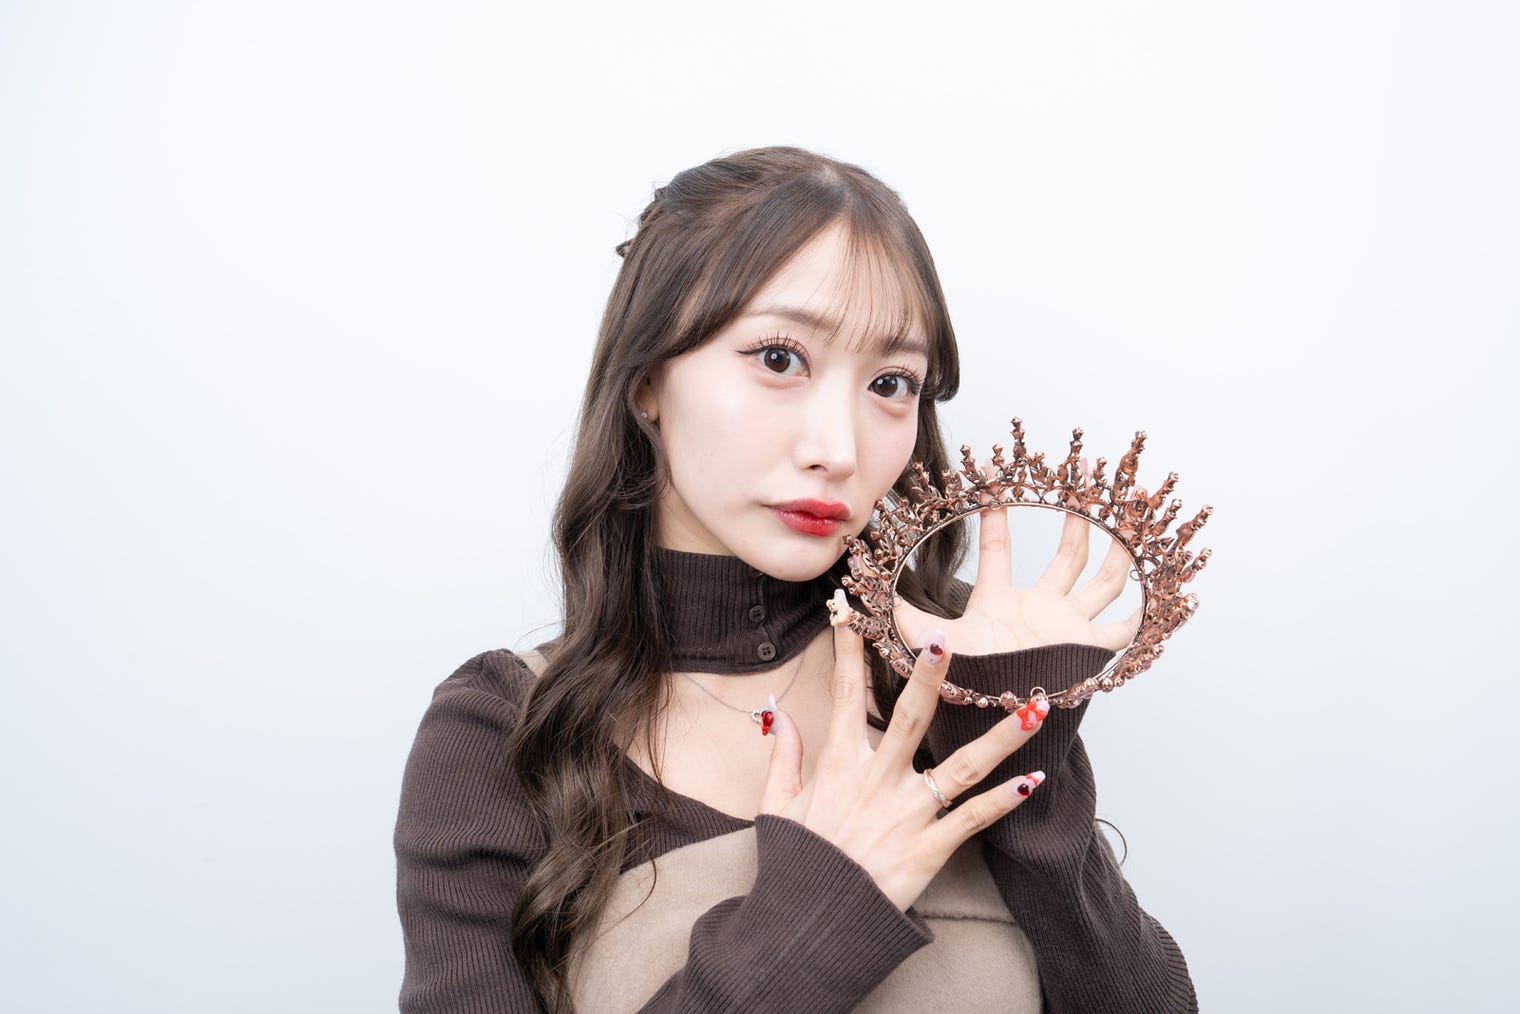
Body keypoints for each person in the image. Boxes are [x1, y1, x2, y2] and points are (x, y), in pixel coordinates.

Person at [394, 146, 1196, 1013]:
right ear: (648, 380)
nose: (838, 449)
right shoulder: (500, 735)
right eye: (779, 359)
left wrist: (1026, 774)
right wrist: (818, 916)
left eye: (890, 383)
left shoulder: (953, 665)